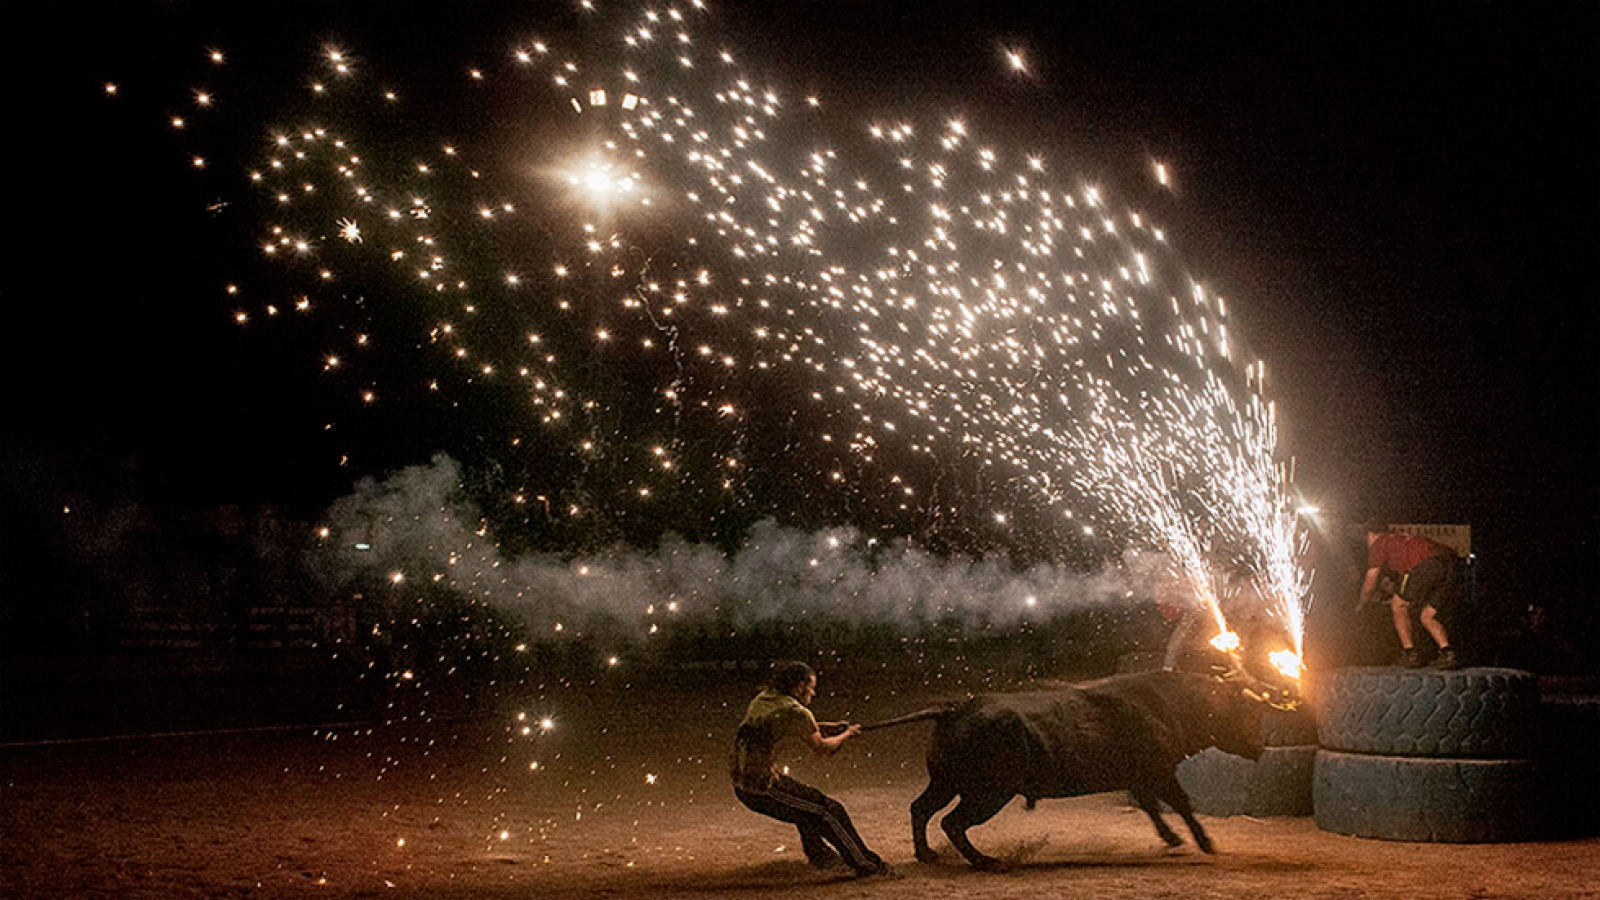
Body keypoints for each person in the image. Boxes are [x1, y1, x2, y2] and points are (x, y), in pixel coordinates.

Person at [730, 661, 895, 879]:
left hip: (745, 780)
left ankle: (820, 855)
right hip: (760, 787)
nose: (814, 693)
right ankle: (867, 865)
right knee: (829, 811)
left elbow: (792, 722)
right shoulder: (796, 711)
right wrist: (848, 734)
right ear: (799, 687)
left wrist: (826, 726)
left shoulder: (766, 698)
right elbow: (823, 749)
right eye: (811, 687)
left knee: (808, 806)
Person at [1359, 526, 1463, 669]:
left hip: (1425, 565)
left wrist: (1362, 603)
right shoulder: (1401, 543)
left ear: (1371, 535)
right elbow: (1407, 587)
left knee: (1398, 605)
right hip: (1452, 564)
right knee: (1427, 615)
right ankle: (1448, 653)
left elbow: (1370, 582)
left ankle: (1410, 653)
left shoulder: (1380, 542)